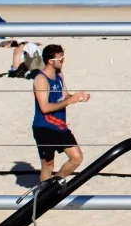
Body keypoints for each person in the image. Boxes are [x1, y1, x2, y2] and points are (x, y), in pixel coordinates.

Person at [31, 44, 89, 181]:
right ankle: (44, 196)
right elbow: (44, 107)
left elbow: (64, 96)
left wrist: (77, 97)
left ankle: (53, 185)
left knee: (76, 157)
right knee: (48, 165)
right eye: (60, 58)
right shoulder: (41, 79)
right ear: (50, 61)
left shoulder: (59, 75)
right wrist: (69, 101)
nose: (63, 61)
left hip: (60, 126)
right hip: (44, 126)